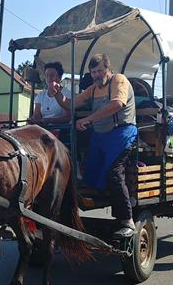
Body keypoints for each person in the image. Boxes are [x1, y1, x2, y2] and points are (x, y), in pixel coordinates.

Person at [51, 54, 137, 238]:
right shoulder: (93, 89)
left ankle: (126, 220)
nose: (97, 75)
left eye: (100, 71)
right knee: (87, 174)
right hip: (100, 136)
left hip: (122, 134)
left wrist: (88, 119)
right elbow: (71, 105)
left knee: (114, 174)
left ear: (108, 69)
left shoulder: (118, 80)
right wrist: (58, 93)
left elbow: (117, 104)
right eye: (93, 72)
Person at [28, 62, 72, 127]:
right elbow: (37, 114)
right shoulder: (40, 95)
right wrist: (34, 119)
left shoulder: (67, 94)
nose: (49, 78)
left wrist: (48, 120)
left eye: (52, 75)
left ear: (60, 78)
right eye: (46, 75)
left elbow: (67, 118)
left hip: (61, 129)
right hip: (42, 128)